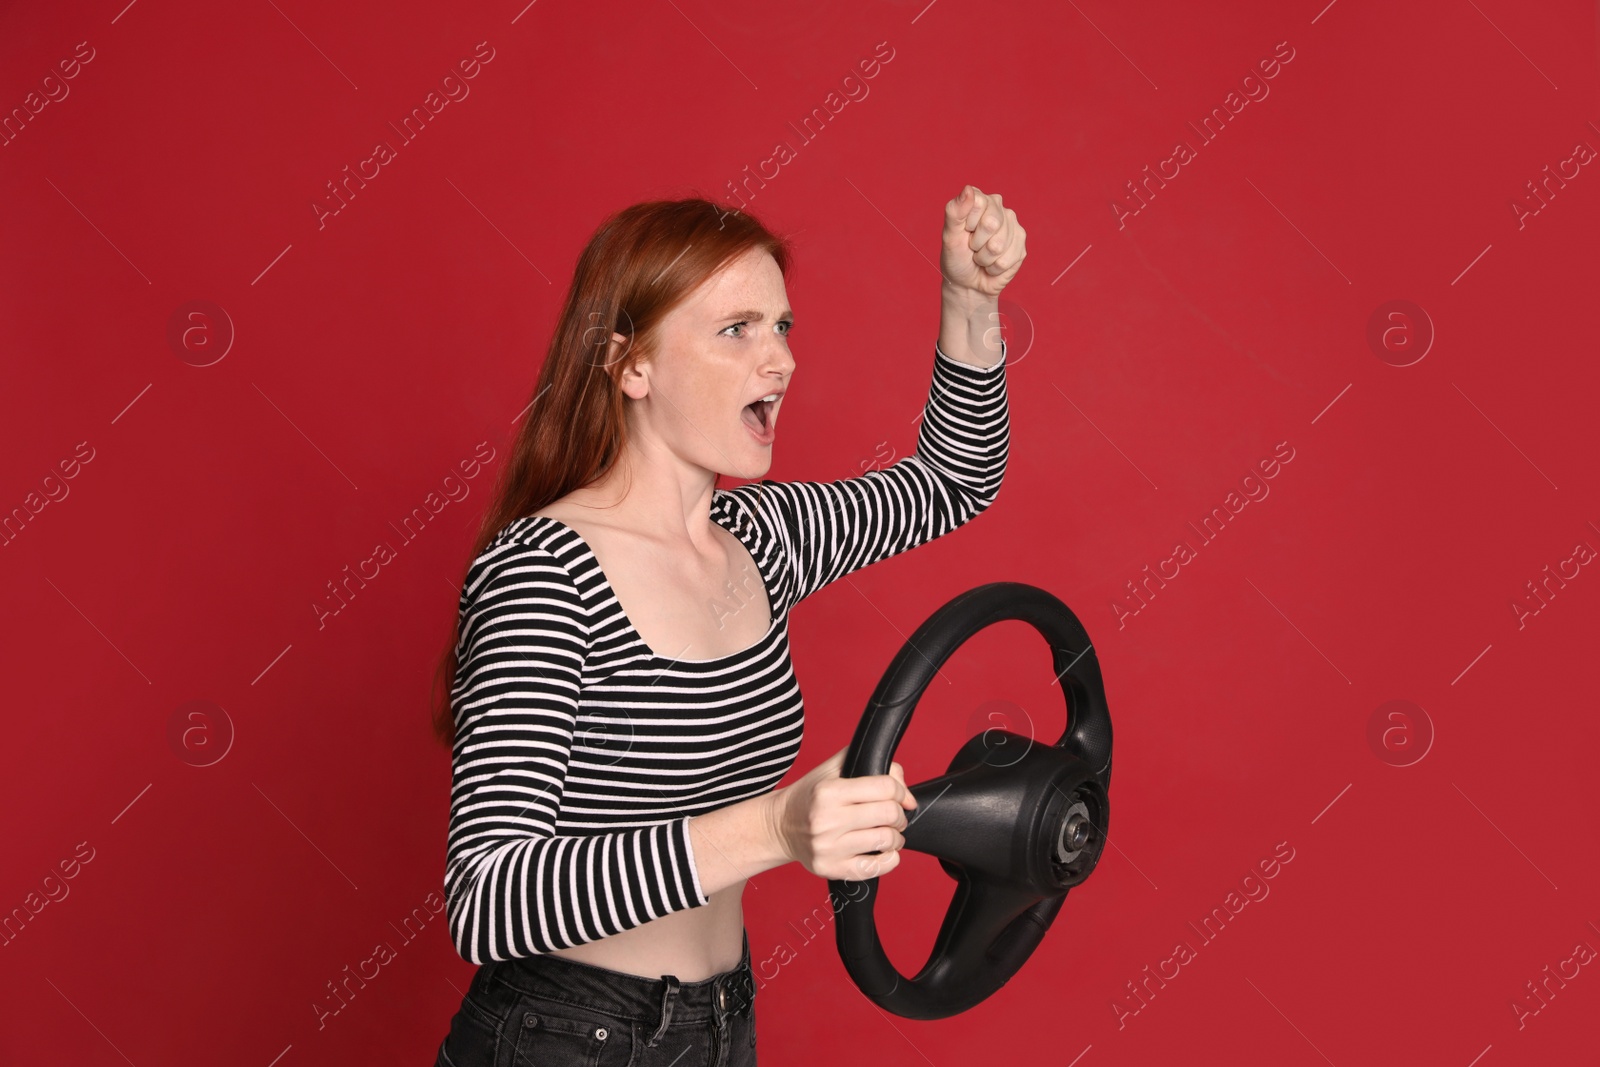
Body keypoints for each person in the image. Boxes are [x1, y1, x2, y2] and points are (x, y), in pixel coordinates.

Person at [431, 185, 1026, 1067]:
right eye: (736, 329)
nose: (780, 360)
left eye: (782, 328)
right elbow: (488, 901)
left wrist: (971, 302)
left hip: (719, 1025)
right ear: (631, 366)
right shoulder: (547, 573)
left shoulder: (760, 538)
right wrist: (778, 829)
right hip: (562, 1040)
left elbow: (955, 478)